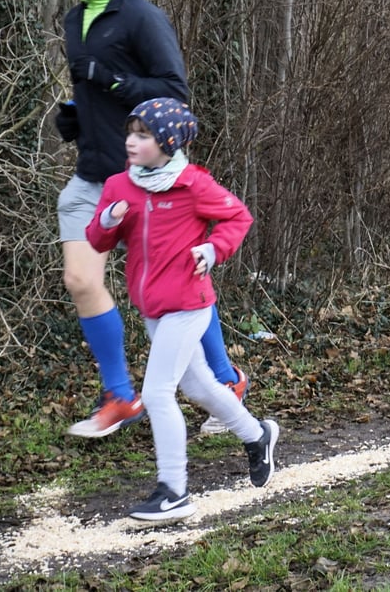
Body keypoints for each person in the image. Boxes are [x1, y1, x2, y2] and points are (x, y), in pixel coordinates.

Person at [57, 0, 247, 438]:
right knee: (80, 280)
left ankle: (227, 381)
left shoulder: (142, 18)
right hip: (94, 175)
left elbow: (173, 93)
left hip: (150, 182)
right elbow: (88, 86)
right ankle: (119, 395)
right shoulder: (75, 21)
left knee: (179, 287)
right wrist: (75, 110)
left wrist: (112, 82)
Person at [85, 98, 279, 521]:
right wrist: (107, 222)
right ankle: (257, 435)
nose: (132, 142)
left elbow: (238, 218)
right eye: (130, 133)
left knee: (157, 393)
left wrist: (213, 248)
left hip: (189, 305)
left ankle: (173, 491)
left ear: (168, 143)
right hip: (153, 308)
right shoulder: (120, 185)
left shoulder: (193, 185)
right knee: (200, 388)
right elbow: (98, 241)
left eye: (143, 135)